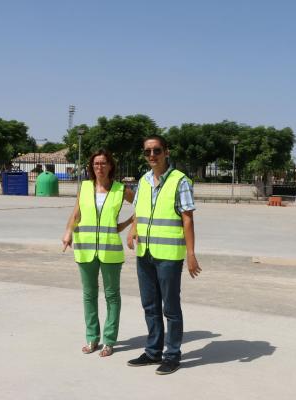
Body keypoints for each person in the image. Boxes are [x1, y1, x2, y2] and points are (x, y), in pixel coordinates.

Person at [126, 135, 201, 375]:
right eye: (147, 151)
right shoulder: (144, 180)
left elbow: (187, 219)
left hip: (169, 255)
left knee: (170, 307)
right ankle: (152, 352)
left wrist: (191, 254)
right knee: (149, 305)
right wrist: (132, 230)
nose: (151, 156)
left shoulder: (180, 181)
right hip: (145, 253)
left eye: (156, 151)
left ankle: (172, 354)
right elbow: (138, 210)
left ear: (166, 152)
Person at [62, 149, 135, 357]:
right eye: (96, 164)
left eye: (103, 163)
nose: (99, 167)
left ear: (110, 166)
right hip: (85, 249)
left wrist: (131, 224)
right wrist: (68, 233)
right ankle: (92, 338)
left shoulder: (121, 189)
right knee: (89, 295)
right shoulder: (84, 187)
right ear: (91, 167)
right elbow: (76, 214)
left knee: (112, 296)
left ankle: (109, 340)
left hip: (110, 251)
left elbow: (142, 206)